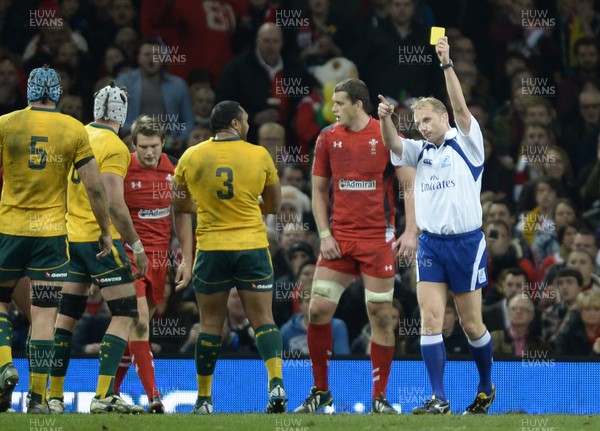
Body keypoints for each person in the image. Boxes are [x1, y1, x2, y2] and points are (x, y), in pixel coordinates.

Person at [378, 36, 495, 415]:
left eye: (428, 120)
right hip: (430, 245)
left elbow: (460, 106)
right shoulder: (420, 150)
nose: (422, 127)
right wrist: (386, 120)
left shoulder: (468, 142)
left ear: (443, 119)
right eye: (418, 122)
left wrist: (446, 63)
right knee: (429, 319)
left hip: (466, 243)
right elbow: (394, 144)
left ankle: (485, 385)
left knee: (471, 323)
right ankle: (440, 398)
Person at [294, 77, 417, 415]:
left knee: (380, 315)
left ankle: (379, 397)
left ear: (358, 105)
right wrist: (323, 235)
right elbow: (318, 191)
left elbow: (409, 187)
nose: (331, 110)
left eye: (338, 104)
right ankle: (321, 391)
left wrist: (411, 232)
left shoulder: (387, 136)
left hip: (378, 240)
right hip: (339, 241)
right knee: (317, 310)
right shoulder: (327, 138)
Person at [0, 66, 112, 413]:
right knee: (45, 316)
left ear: (29, 90)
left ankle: (5, 362)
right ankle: (37, 399)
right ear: (58, 93)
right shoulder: (73, 128)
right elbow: (94, 186)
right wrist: (105, 229)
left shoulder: (6, 123)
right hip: (51, 237)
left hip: (9, 230)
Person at [173, 100, 286, 414]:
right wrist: (249, 206)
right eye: (246, 120)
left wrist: (188, 251)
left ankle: (204, 399)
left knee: (209, 324)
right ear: (236, 124)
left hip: (211, 249)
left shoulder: (191, 156)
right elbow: (275, 205)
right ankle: (276, 382)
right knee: (264, 320)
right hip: (251, 246)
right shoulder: (259, 154)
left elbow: (180, 208)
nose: (248, 125)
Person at [47, 82, 149, 415]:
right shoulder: (116, 147)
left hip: (68, 239)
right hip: (99, 239)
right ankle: (103, 395)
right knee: (126, 312)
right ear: (123, 114)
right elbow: (115, 203)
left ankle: (54, 397)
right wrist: (136, 244)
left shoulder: (73, 136)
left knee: (66, 319)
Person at [111, 114, 178, 414]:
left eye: (154, 146)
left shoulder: (174, 168)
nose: (149, 153)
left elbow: (183, 214)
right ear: (132, 145)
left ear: (162, 144)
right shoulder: (121, 168)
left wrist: (185, 256)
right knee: (138, 322)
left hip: (160, 260)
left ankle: (108, 392)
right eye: (142, 147)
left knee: (136, 331)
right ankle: (154, 396)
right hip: (128, 256)